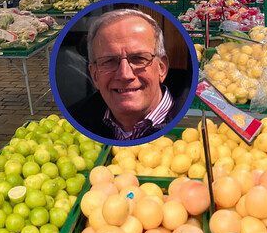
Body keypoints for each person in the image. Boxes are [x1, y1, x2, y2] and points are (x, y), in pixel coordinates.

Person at [68, 9, 183, 141]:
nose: (125, 74)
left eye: (138, 58)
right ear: (94, 75)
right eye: (109, 61)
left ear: (161, 68)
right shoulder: (77, 124)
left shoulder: (187, 126)